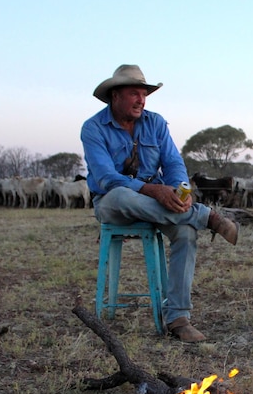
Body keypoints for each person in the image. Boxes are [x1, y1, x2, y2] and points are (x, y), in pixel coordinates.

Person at [82, 64, 238, 343]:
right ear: (115, 96)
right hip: (113, 203)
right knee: (120, 194)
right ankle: (205, 217)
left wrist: (181, 190)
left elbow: (174, 163)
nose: (141, 100)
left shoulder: (155, 123)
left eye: (144, 94)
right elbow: (106, 178)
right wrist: (153, 189)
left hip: (158, 205)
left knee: (186, 232)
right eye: (134, 94)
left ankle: (178, 318)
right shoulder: (93, 128)